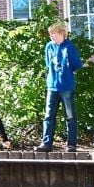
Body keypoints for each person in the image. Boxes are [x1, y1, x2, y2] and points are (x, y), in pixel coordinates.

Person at [36, 22, 83, 152]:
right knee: (49, 115)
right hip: (52, 86)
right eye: (50, 34)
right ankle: (46, 143)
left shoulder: (70, 47)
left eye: (54, 33)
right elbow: (48, 63)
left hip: (66, 86)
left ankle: (71, 144)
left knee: (70, 115)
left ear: (62, 33)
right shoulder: (49, 47)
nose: (52, 36)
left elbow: (77, 65)